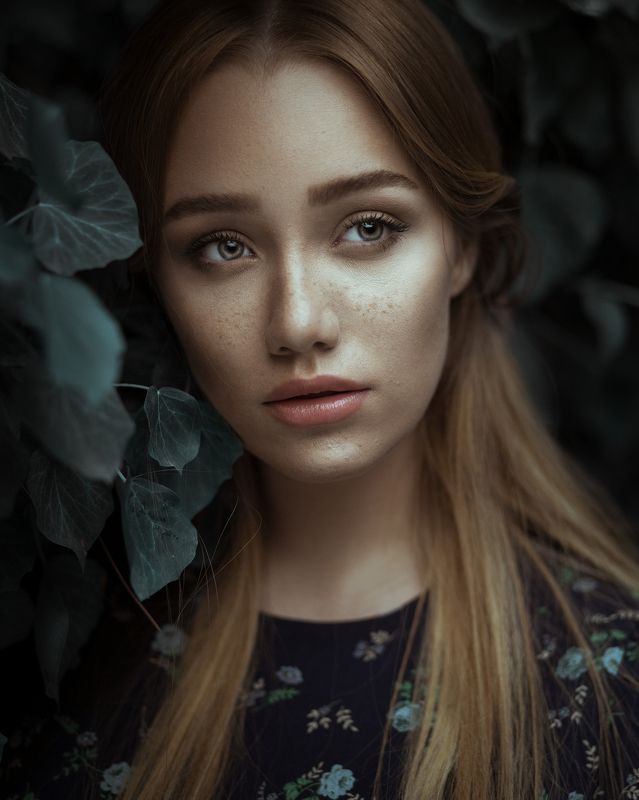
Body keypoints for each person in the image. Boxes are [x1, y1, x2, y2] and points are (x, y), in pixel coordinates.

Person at [2, 0, 638, 799]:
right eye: (222, 247)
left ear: (462, 249)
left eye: (367, 227)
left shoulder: (609, 694)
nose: (298, 322)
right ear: (154, 280)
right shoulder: (53, 680)